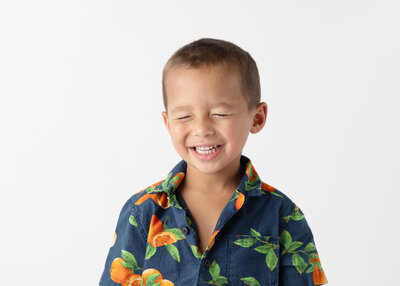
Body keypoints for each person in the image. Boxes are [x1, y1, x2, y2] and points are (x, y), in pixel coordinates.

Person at [99, 38, 328, 286]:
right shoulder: (141, 212)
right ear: (168, 124)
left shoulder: (283, 216)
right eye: (184, 116)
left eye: (219, 114)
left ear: (257, 118)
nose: (201, 129)